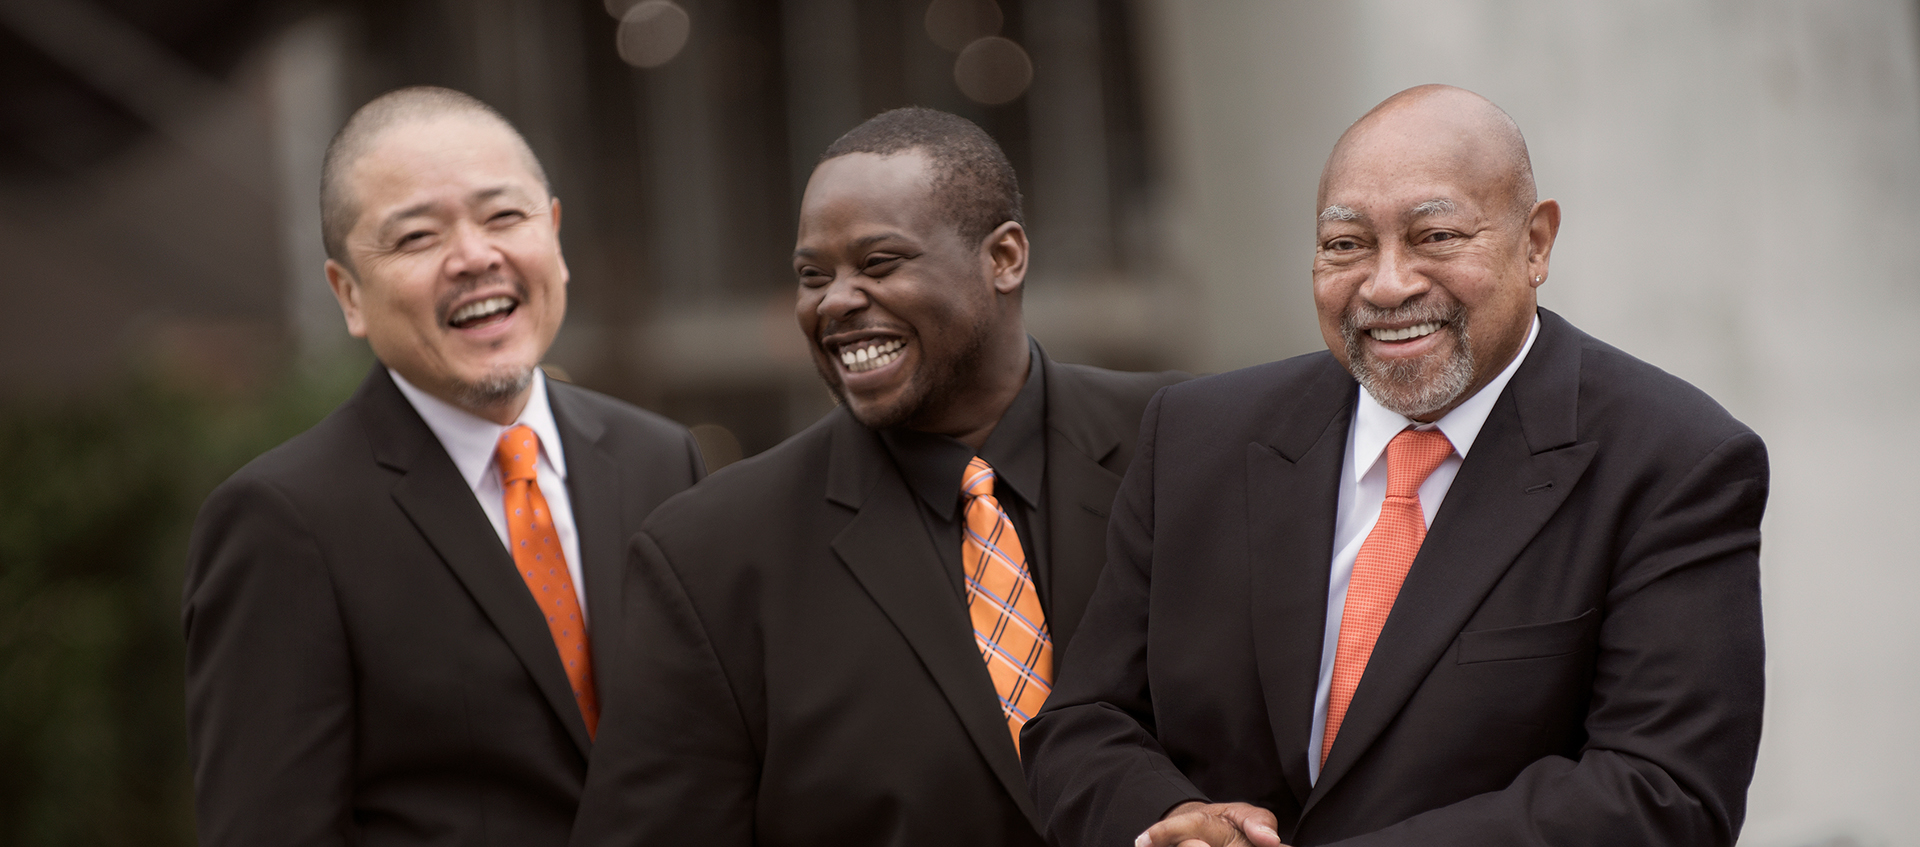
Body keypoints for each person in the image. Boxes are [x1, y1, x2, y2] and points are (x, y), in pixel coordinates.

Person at [1021, 84, 1769, 847]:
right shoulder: (1197, 435)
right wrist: (1173, 824)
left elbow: (1664, 792)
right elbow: (1086, 722)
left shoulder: (1674, 459)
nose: (1386, 285)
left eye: (1435, 236)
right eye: (1345, 245)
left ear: (1536, 243)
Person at [568, 107, 1187, 847]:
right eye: (812, 275)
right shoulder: (711, 555)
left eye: (879, 262)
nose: (834, 300)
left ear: (1005, 257)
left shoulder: (1189, 449)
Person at [182, 86, 704, 846]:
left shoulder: (662, 459)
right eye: (417, 237)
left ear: (553, 235)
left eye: (503, 216)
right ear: (348, 295)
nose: (475, 256)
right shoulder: (282, 522)